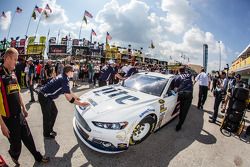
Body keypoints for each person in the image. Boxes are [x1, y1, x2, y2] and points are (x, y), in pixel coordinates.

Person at [0, 48, 49, 165]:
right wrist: (2, 125)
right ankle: (13, 154)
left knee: (28, 138)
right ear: (7, 58)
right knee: (16, 145)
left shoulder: (13, 74)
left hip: (20, 115)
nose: (16, 62)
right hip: (8, 119)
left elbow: (17, 92)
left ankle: (38, 157)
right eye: (15, 60)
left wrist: (23, 107)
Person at [38, 65, 90, 139]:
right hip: (44, 97)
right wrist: (81, 104)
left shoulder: (64, 77)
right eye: (73, 71)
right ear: (68, 72)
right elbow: (68, 97)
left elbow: (69, 91)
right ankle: (46, 134)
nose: (73, 72)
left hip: (47, 97)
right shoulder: (64, 79)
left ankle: (49, 129)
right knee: (47, 116)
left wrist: (77, 98)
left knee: (54, 112)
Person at [174, 67, 193, 131]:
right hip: (189, 94)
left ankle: (179, 118)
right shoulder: (189, 75)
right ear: (184, 70)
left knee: (181, 108)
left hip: (182, 94)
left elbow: (175, 89)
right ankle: (179, 124)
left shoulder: (177, 77)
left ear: (179, 71)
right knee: (185, 111)